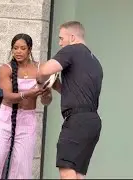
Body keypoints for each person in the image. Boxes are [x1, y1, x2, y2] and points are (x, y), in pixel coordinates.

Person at [36, 21, 103, 179]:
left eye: (61, 38)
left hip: (77, 121)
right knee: (78, 174)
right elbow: (72, 90)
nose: (59, 43)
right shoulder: (94, 61)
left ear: (72, 37)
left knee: (66, 171)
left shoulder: (71, 50)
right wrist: (55, 84)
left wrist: (40, 79)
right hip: (92, 121)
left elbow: (44, 71)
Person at [0, 33, 52, 179]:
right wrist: (29, 93)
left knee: (22, 163)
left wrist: (46, 94)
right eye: (15, 48)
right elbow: (7, 96)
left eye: (22, 48)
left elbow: (46, 102)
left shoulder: (40, 68)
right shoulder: (5, 69)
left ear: (30, 50)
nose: (18, 51)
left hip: (27, 119)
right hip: (5, 117)